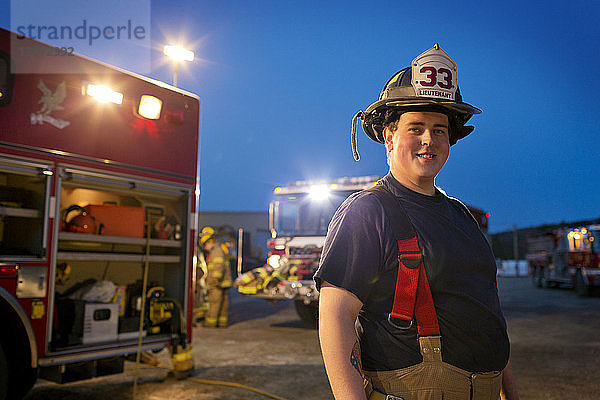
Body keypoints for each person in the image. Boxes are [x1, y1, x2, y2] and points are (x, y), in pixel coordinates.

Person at [315, 44, 519, 400]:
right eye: (416, 127)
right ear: (389, 137)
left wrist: (510, 393)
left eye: (440, 130)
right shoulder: (367, 212)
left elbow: (488, 316)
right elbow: (335, 318)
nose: (429, 140)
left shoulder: (462, 217)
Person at [199, 226, 232, 328]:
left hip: (217, 282)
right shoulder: (219, 249)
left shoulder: (216, 251)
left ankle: (210, 323)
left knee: (214, 303)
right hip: (224, 282)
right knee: (223, 304)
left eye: (205, 245)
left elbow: (218, 266)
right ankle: (222, 323)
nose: (204, 248)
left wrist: (215, 279)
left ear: (209, 242)